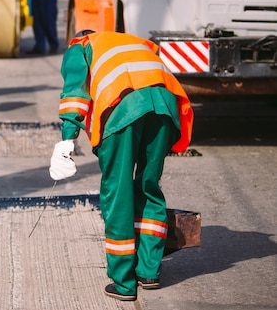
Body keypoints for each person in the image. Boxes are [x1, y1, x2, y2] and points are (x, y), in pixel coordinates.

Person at [49, 30, 194, 301]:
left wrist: (66, 141)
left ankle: (124, 283)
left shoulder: (79, 47)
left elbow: (74, 94)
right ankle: (149, 272)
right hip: (164, 109)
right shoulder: (132, 42)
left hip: (123, 110)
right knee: (149, 186)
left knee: (118, 193)